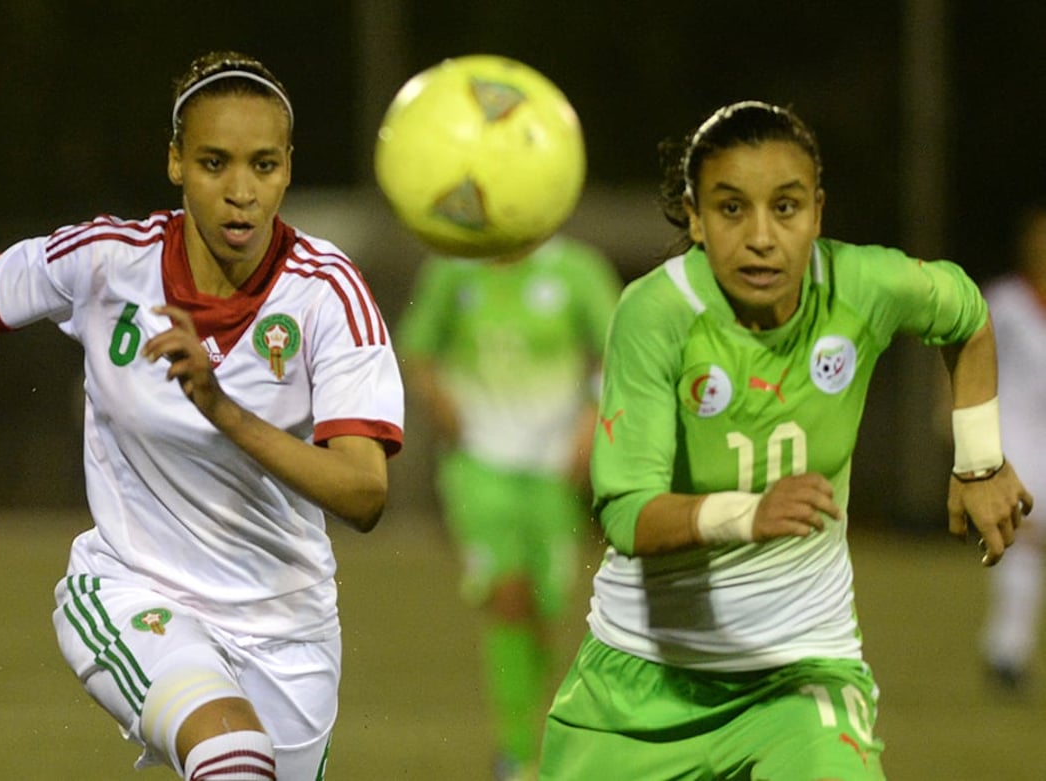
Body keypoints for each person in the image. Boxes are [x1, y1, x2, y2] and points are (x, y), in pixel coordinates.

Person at [0, 51, 404, 781]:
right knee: (234, 760)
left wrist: (221, 409)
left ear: (288, 168)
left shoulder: (329, 294)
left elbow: (364, 494)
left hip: (288, 631)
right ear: (174, 163)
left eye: (263, 166)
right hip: (136, 593)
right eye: (213, 162)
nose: (240, 192)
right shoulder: (106, 261)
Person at [536, 101, 1032, 780]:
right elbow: (627, 515)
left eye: (786, 207)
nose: (761, 236)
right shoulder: (657, 314)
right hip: (641, 677)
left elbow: (965, 313)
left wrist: (978, 461)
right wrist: (748, 512)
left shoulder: (862, 286)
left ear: (817, 213)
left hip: (799, 674)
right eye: (731, 208)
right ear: (694, 216)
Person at [395, 236, 622, 780]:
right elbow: (419, 346)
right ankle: (515, 754)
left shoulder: (577, 268)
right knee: (508, 596)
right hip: (478, 466)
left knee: (543, 610)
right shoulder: (452, 269)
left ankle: (535, 732)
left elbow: (619, 350)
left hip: (552, 469)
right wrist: (437, 396)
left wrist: (593, 418)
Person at [980, 201, 1046, 694]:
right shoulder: (1003, 301)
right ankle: (1007, 653)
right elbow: (967, 358)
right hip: (1016, 439)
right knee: (1022, 545)